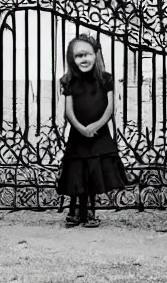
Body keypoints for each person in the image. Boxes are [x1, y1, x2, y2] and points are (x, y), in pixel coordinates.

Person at [56, 34, 128, 227]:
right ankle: (74, 211)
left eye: (87, 54)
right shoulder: (68, 81)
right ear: (72, 60)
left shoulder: (106, 79)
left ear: (96, 55)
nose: (84, 59)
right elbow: (68, 111)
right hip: (78, 135)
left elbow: (110, 107)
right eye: (79, 56)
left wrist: (95, 126)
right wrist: (80, 128)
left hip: (99, 133)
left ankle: (90, 212)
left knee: (93, 172)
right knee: (76, 171)